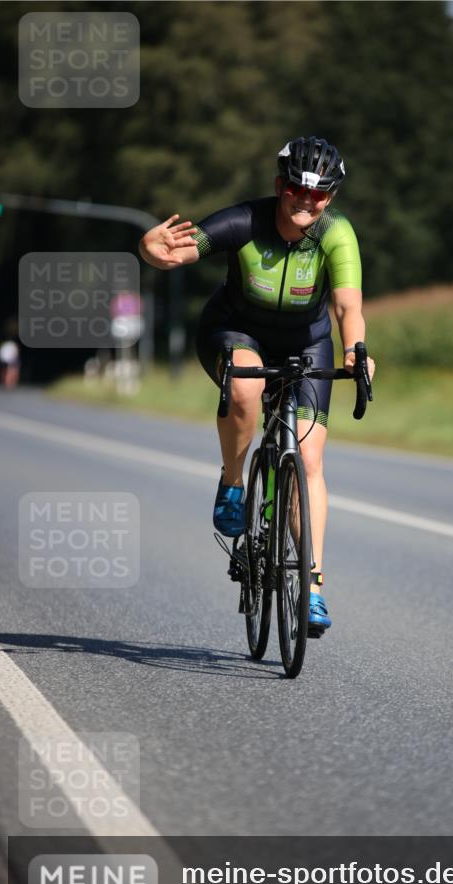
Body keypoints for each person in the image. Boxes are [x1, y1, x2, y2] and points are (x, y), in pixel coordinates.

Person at [139, 136, 375, 635]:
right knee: (245, 390)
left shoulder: (337, 234)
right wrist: (151, 249)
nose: (305, 201)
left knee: (309, 461)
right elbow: (179, 251)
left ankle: (311, 588)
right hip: (235, 330)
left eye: (318, 194)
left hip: (307, 342)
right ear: (280, 186)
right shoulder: (245, 220)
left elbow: (347, 307)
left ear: (329, 198)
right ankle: (231, 481)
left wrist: (356, 351)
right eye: (296, 189)